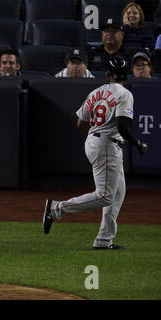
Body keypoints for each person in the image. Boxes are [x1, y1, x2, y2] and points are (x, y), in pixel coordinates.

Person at [43, 56, 148, 250]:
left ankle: (103, 239)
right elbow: (124, 126)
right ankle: (57, 208)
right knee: (106, 195)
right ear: (126, 75)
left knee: (118, 193)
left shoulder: (95, 92)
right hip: (107, 144)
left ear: (108, 75)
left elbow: (80, 122)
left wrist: (95, 134)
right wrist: (138, 143)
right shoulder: (124, 93)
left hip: (95, 140)